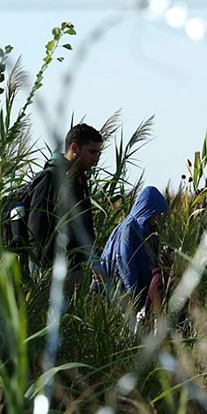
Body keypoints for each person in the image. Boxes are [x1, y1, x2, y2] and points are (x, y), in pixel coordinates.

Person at [28, 123, 103, 283]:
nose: (96, 158)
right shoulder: (50, 178)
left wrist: (93, 260)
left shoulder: (79, 181)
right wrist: (41, 268)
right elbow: (36, 228)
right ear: (74, 148)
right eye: (92, 152)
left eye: (98, 153)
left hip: (73, 268)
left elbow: (85, 226)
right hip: (49, 271)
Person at [99, 186, 169, 318]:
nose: (159, 217)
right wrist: (133, 293)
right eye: (157, 212)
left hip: (132, 289)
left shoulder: (145, 229)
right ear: (148, 209)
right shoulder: (129, 228)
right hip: (122, 289)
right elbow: (125, 261)